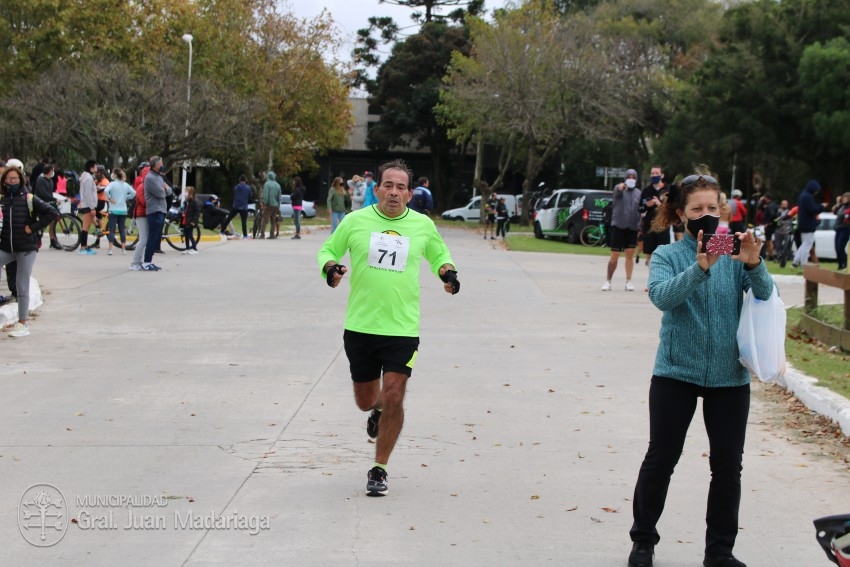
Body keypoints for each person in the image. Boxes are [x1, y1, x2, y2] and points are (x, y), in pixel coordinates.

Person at [627, 172, 772, 567]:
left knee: (728, 466)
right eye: (697, 209)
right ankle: (643, 542)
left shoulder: (732, 247)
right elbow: (661, 297)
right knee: (661, 458)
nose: (706, 215)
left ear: (722, 210)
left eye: (712, 208)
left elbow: (765, 295)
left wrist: (755, 263)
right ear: (680, 213)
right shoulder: (667, 254)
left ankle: (720, 552)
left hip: (730, 376)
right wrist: (700, 267)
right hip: (676, 372)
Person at [316, 159, 459, 497]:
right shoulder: (355, 221)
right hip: (361, 326)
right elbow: (328, 250)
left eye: (401, 187)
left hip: (402, 327)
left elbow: (440, 255)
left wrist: (448, 274)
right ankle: (376, 411)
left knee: (395, 393)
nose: (394, 192)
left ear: (410, 193)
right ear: (376, 189)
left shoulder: (422, 225)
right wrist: (331, 268)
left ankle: (379, 468)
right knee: (366, 400)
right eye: (388, 185)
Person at [0, 165, 59, 337]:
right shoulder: (2, 201)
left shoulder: (29, 198)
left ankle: (23, 324)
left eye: (15, 179)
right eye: (9, 179)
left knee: (21, 284)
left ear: (21, 180)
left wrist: (32, 228)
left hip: (26, 248)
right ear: (4, 181)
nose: (12, 181)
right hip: (6, 248)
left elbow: (52, 213)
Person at [601, 169, 642, 291]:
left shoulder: (638, 193)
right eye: (629, 177)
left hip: (632, 228)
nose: (631, 179)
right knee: (614, 255)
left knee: (629, 255)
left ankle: (628, 281)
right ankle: (608, 280)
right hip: (618, 226)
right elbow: (617, 190)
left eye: (633, 177)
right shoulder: (619, 190)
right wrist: (621, 186)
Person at [142, 156, 173, 271]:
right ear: (155, 165)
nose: (162, 164)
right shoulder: (150, 178)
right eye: (161, 163)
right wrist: (165, 189)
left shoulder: (159, 177)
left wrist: (165, 188)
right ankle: (146, 262)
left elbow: (169, 190)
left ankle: (149, 261)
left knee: (156, 238)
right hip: (154, 210)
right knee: (152, 237)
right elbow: (161, 193)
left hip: (161, 209)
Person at [638, 166, 671, 267]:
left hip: (663, 225)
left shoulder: (668, 189)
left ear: (662, 175)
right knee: (649, 254)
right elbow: (640, 208)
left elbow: (673, 208)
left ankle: (663, 276)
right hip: (649, 226)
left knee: (663, 254)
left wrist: (660, 205)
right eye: (652, 173)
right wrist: (646, 206)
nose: (654, 175)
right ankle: (651, 276)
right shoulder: (646, 190)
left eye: (657, 173)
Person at [792, 179, 825, 268]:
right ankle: (804, 263)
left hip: (802, 224)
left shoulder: (802, 196)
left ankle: (796, 260)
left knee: (804, 244)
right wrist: (821, 207)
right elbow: (812, 210)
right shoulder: (808, 197)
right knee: (807, 244)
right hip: (808, 224)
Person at [105, 168, 135, 256]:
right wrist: (126, 197)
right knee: (122, 230)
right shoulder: (125, 185)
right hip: (123, 210)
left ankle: (110, 250)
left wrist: (110, 198)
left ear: (115, 175)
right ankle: (123, 249)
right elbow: (134, 193)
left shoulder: (112, 184)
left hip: (113, 210)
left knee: (112, 230)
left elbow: (106, 191)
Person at [33, 163, 62, 250]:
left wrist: (54, 199)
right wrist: (54, 199)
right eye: (53, 170)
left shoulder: (50, 181)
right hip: (40, 204)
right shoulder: (40, 180)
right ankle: (37, 239)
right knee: (42, 223)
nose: (54, 172)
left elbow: (49, 193)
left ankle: (53, 240)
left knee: (53, 221)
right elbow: (42, 194)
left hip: (48, 203)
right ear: (50, 171)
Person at [129, 162, 150, 271]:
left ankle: (138, 261)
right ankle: (135, 262)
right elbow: (143, 201)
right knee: (143, 239)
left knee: (144, 239)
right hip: (141, 214)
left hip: (144, 214)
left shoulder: (144, 185)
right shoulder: (142, 186)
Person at [77, 160, 98, 255]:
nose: (96, 168)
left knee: (86, 226)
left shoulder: (86, 176)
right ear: (91, 168)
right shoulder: (88, 178)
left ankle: (85, 247)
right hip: (88, 205)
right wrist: (92, 207)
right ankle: (83, 248)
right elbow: (88, 194)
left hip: (86, 204)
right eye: (95, 166)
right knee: (85, 227)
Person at [260, 172, 282, 239]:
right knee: (273, 220)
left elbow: (266, 195)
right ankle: (272, 234)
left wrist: (265, 203)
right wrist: (278, 206)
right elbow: (279, 197)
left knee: (265, 219)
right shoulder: (278, 185)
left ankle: (262, 234)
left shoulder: (267, 184)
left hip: (269, 204)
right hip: (276, 205)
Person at [833, 192, 850, 271]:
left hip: (845, 228)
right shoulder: (842, 206)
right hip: (838, 229)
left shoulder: (848, 207)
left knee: (840, 247)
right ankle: (840, 265)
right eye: (843, 198)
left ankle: (845, 264)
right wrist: (838, 202)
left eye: (845, 198)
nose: (844, 199)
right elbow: (834, 211)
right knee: (836, 247)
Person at [181, 186, 200, 254]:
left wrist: (194, 221)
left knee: (189, 235)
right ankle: (187, 248)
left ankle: (195, 249)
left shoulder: (195, 201)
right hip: (186, 220)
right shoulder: (187, 201)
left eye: (186, 191)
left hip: (191, 221)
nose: (185, 193)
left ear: (190, 193)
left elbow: (197, 212)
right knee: (186, 234)